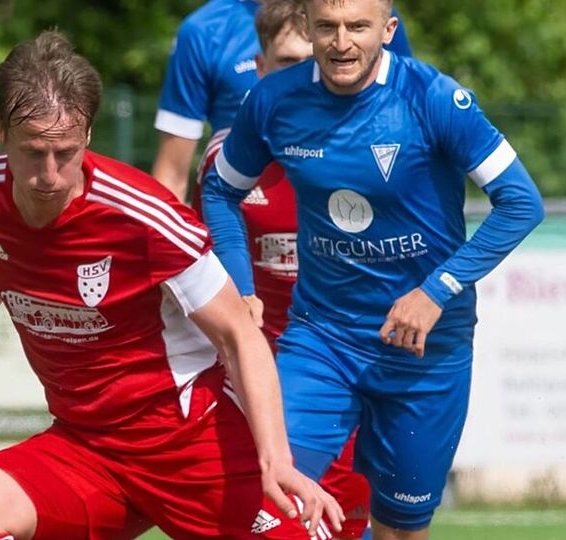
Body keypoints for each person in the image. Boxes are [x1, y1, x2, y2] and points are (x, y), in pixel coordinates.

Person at [0, 30, 345, 540]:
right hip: (87, 448)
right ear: (0, 130)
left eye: (64, 152)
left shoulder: (144, 217)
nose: (49, 175)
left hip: (193, 440)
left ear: (87, 135)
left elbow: (239, 334)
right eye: (32, 151)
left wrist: (276, 460)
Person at [200, 0, 546, 538]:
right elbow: (219, 190)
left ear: (387, 29)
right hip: (322, 339)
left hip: (425, 351)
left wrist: (436, 291)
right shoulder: (272, 100)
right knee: (267, 504)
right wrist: (241, 287)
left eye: (358, 27)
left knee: (401, 527)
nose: (342, 42)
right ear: (310, 27)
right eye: (329, 27)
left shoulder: (433, 99)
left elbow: (522, 203)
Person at [191, 3, 371, 539]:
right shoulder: (228, 161)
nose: (302, 76)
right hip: (265, 381)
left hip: (355, 362)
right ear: (261, 68)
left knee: (359, 517)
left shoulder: (371, 149)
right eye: (287, 61)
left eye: (310, 60)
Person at [152, 0, 414, 202]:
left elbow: (406, 129)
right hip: (248, 221)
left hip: (351, 216)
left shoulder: (359, 11)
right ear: (260, 66)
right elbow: (172, 175)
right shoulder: (203, 31)